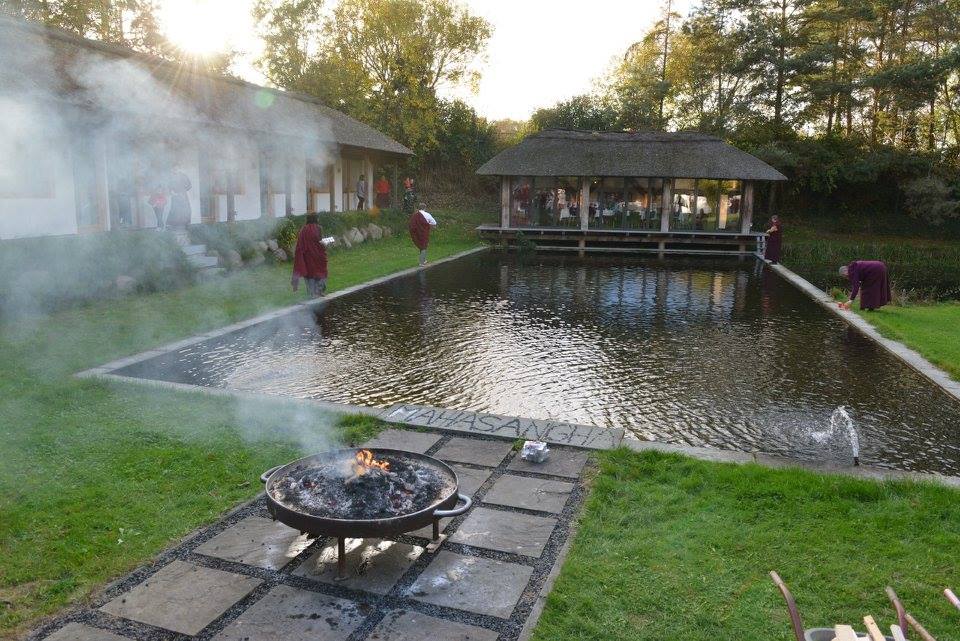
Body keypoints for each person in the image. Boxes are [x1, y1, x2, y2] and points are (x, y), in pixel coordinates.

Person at [292, 214, 328, 298]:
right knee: (321, 272)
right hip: (318, 255)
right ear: (316, 219)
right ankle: (319, 291)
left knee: (310, 274)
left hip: (307, 255)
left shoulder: (303, 229)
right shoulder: (318, 228)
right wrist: (326, 243)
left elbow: (300, 244)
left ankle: (312, 293)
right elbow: (320, 241)